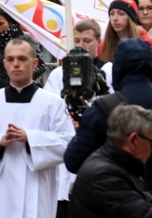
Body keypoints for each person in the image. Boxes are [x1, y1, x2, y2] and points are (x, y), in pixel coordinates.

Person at [65, 38, 152, 212]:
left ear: (118, 67)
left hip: (115, 201)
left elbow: (73, 161)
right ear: (150, 65)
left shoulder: (103, 108)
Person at [0, 37, 74, 218]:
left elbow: (68, 143)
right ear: (4, 63)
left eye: (22, 59)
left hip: (37, 187)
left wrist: (30, 138)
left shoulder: (52, 103)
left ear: (34, 63)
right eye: (10, 59)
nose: (16, 64)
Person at [44, 19, 113, 218]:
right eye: (77, 41)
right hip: (68, 144)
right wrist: (67, 122)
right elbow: (50, 107)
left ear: (98, 42)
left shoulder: (109, 71)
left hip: (98, 145)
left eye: (87, 40)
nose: (81, 45)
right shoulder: (59, 74)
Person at [99, 0, 152, 90]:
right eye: (112, 14)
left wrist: (143, 93)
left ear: (131, 17)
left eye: (121, 13)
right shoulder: (103, 46)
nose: (115, 18)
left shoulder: (148, 45)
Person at [0, 6, 46, 93]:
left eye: (0, 24)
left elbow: (40, 65)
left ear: (10, 22)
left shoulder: (27, 39)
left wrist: (22, 75)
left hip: (24, 90)